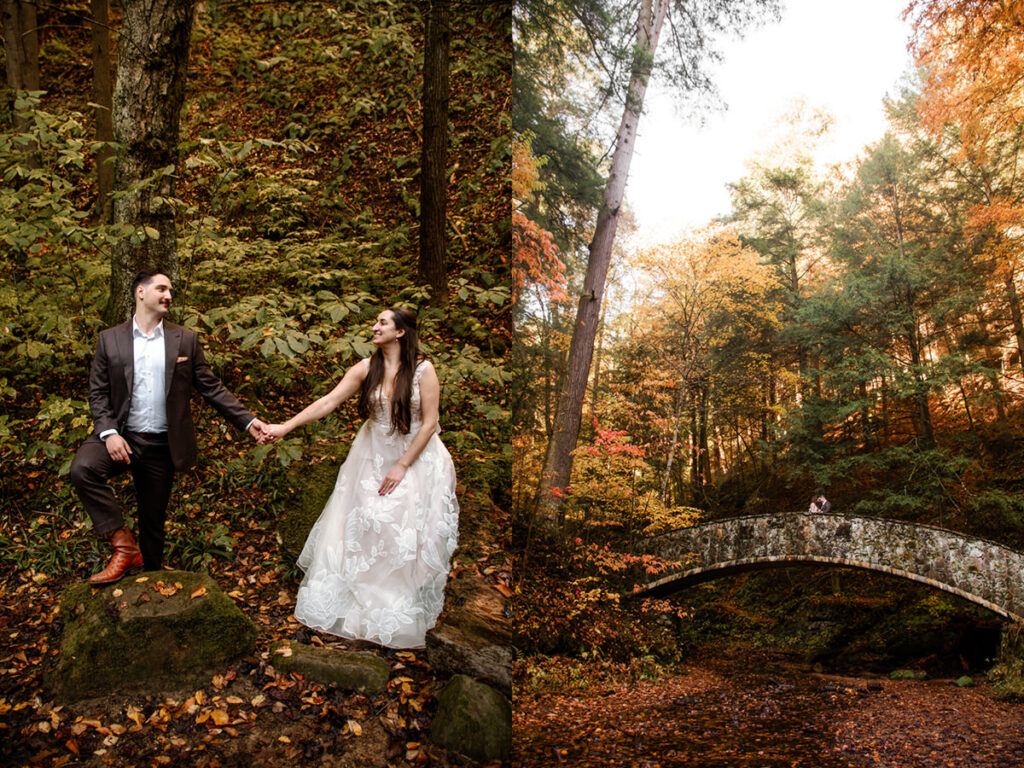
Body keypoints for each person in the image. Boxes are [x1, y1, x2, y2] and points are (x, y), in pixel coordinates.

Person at [261, 307, 459, 649]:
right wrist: (286, 427)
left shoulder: (424, 370)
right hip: (371, 453)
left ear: (400, 332)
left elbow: (429, 423)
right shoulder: (366, 368)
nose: (374, 326)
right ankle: (360, 604)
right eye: (375, 320)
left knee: (400, 523)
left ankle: (397, 605)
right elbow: (329, 401)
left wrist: (403, 466)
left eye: (382, 322)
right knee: (363, 522)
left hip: (416, 456)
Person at [69, 269, 267, 585]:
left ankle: (151, 585)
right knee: (82, 469)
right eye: (161, 288)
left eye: (170, 290)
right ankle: (122, 546)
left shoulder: (185, 339)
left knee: (153, 521)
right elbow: (98, 391)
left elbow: (211, 387)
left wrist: (249, 422)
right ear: (140, 293)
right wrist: (109, 433)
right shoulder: (110, 340)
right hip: (121, 435)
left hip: (162, 444)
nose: (168, 296)